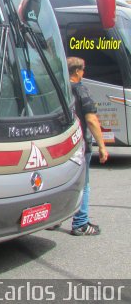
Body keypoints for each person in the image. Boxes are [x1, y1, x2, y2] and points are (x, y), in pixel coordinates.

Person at [67, 56, 108, 236]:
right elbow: (91, 120)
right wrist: (102, 146)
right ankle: (81, 223)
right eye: (83, 69)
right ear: (77, 71)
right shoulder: (81, 90)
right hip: (81, 145)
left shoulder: (59, 89)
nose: (84, 73)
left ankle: (55, 218)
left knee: (62, 183)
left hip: (62, 146)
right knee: (84, 184)